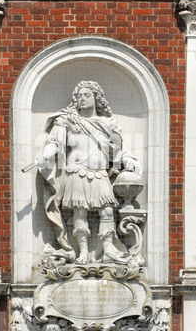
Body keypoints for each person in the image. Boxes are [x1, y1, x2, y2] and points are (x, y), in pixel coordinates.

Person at [36, 80, 141, 266]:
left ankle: (108, 249)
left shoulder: (108, 123)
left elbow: (116, 150)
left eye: (86, 95)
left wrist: (127, 160)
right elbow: (55, 143)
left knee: (107, 210)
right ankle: (82, 252)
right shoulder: (67, 120)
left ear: (96, 98)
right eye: (79, 96)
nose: (82, 99)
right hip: (76, 172)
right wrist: (45, 156)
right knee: (80, 213)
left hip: (100, 173)